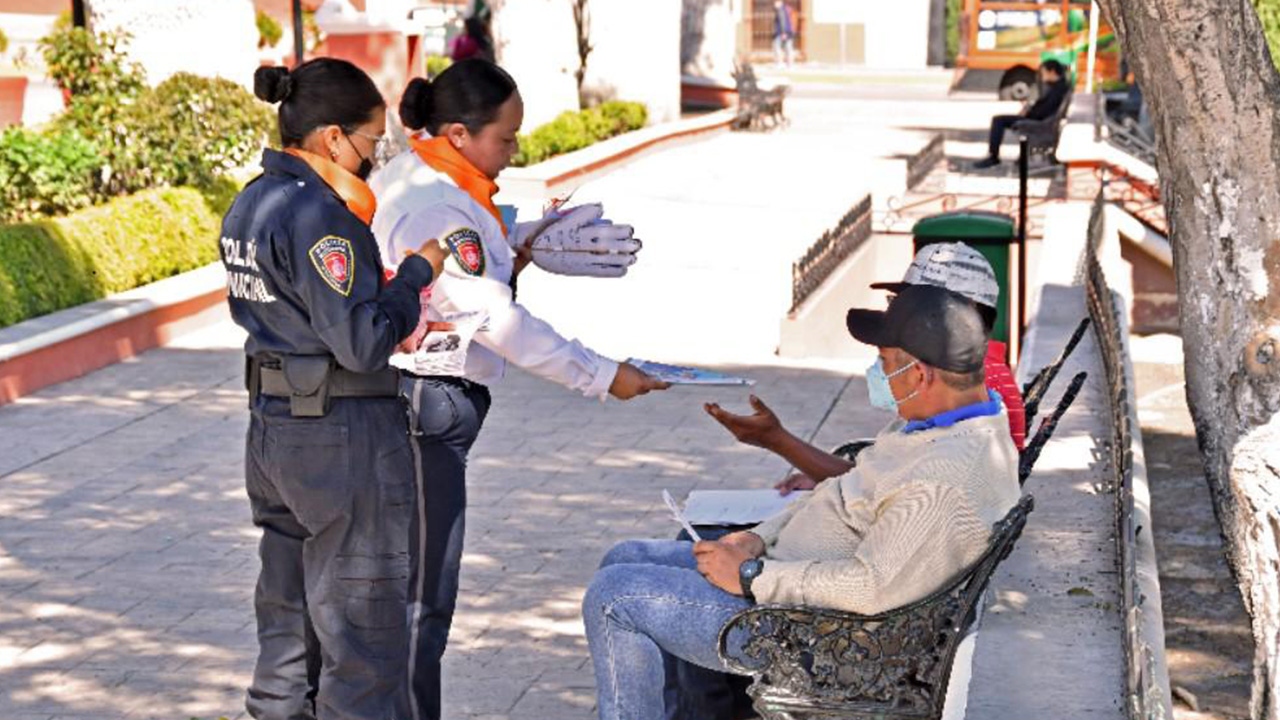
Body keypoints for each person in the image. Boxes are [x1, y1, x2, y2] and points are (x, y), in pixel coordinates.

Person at [368, 59, 669, 720]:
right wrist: (599, 375)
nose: (513, 151)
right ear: (456, 132)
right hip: (424, 403)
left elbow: (475, 270)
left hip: (417, 402)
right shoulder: (434, 201)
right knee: (423, 598)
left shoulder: (432, 178)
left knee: (410, 591)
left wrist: (521, 242)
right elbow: (495, 318)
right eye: (504, 139)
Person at [581, 283, 1021, 720]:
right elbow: (838, 493)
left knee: (613, 597)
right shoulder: (936, 426)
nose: (879, 373)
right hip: (790, 592)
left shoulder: (942, 479)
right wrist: (754, 539)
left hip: (815, 635)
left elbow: (870, 588)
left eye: (885, 364)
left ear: (921, 374)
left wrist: (754, 577)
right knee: (624, 556)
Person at [223, 59, 448, 720]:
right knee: (362, 643)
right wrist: (412, 277)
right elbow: (362, 341)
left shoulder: (250, 201)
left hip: (274, 432)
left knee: (287, 635)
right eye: (372, 144)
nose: (375, 159)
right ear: (331, 139)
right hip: (340, 440)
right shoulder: (323, 217)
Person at [707, 241, 1027, 500]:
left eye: (905, 303)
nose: (894, 313)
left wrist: (778, 440)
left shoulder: (962, 389)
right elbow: (883, 478)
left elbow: (892, 494)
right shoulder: (971, 375)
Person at [973, 59, 1070, 169]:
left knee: (998, 120)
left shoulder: (1057, 90)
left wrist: (1027, 112)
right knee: (1000, 119)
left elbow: (1042, 112)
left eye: (1043, 72)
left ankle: (993, 156)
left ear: (1052, 72)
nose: (1041, 75)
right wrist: (1029, 108)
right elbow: (1044, 108)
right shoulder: (1058, 87)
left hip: (1037, 123)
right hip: (1039, 120)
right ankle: (995, 156)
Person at [772, 0, 795, 67]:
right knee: (788, 48)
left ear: (779, 2)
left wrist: (783, 32)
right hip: (788, 31)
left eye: (775, 2)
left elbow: (783, 21)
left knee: (777, 47)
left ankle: (779, 63)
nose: (774, 4)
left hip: (781, 32)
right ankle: (790, 64)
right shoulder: (785, 9)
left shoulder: (780, 10)